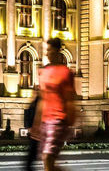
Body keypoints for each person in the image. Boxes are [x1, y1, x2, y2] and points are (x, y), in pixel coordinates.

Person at [38, 38, 76, 171]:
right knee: (47, 161)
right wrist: (36, 124)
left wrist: (69, 124)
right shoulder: (43, 72)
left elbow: (70, 100)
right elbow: (42, 99)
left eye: (49, 50)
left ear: (57, 51)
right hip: (45, 121)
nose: (47, 54)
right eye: (46, 50)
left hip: (58, 120)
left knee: (48, 157)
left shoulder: (65, 72)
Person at [25, 88, 41, 171]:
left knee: (30, 160)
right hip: (36, 134)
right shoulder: (34, 104)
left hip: (37, 134)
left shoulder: (37, 103)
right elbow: (28, 117)